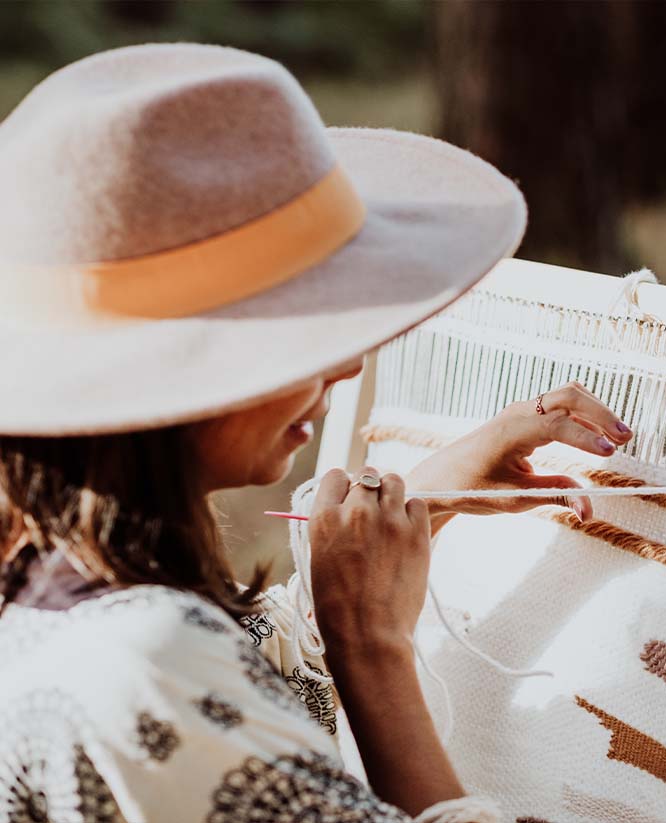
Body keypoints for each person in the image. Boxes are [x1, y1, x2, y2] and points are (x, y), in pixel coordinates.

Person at [0, 44, 633, 822]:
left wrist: (427, 497)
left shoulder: (46, 577)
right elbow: (193, 690)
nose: (346, 365)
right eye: (301, 328)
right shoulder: (144, 667)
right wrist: (372, 648)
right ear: (181, 367)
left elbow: (234, 678)